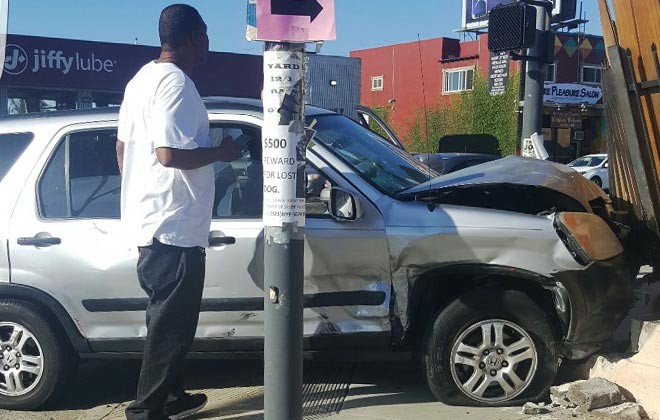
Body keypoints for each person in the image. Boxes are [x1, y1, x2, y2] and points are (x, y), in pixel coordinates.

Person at [115, 4, 241, 420]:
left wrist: (141, 190)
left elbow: (123, 149)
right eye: (204, 35)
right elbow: (168, 154)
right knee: (171, 330)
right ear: (191, 37)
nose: (207, 43)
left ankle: (170, 396)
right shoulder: (177, 84)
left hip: (151, 223)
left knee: (165, 323)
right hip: (174, 228)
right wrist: (223, 152)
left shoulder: (140, 80)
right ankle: (145, 411)